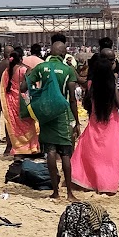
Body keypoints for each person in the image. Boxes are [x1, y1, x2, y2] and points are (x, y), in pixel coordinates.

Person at [25, 33, 80, 202]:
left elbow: (24, 84)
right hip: (62, 113)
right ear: (64, 54)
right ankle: (69, 193)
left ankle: (55, 191)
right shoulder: (68, 70)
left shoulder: (41, 68)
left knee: (50, 150)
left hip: (46, 113)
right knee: (65, 153)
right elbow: (72, 98)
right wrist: (76, 121)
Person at [72, 39, 119, 194]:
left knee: (93, 152)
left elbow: (88, 103)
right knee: (110, 154)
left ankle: (90, 180)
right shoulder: (111, 82)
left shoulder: (92, 84)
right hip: (111, 122)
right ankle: (107, 182)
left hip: (95, 121)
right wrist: (115, 84)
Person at [0, 46, 41, 157]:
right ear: (21, 59)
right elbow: (25, 86)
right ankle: (30, 147)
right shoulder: (23, 70)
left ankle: (18, 147)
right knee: (28, 123)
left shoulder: (7, 71)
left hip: (11, 101)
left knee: (16, 125)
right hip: (22, 100)